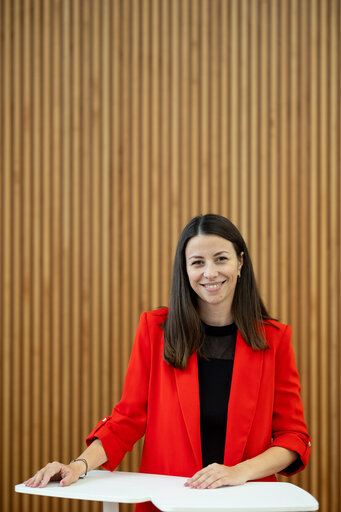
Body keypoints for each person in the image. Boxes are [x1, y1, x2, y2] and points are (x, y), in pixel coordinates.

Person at [25, 214, 311, 512]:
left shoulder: (275, 338)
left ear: (240, 262)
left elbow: (293, 437)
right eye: (197, 262)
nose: (210, 272)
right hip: (167, 504)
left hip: (247, 503)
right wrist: (78, 465)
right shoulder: (154, 329)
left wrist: (239, 472)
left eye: (221, 259)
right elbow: (126, 420)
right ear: (185, 269)